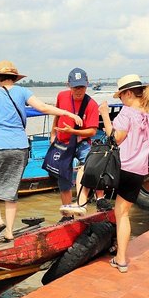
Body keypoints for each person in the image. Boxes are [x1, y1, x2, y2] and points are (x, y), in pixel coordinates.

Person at [0, 60, 82, 242]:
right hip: (19, 147)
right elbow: (44, 108)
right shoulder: (23, 92)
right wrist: (68, 114)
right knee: (11, 190)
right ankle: (10, 232)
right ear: (15, 78)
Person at [66, 74, 149, 273]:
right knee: (123, 214)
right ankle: (121, 259)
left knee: (85, 169)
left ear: (129, 93)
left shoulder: (127, 113)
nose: (121, 99)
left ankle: (81, 204)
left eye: (122, 95)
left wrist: (106, 115)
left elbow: (115, 138)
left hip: (121, 167)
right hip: (139, 170)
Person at [50, 68, 100, 222]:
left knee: (91, 167)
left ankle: (88, 202)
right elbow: (57, 115)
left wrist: (73, 131)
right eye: (75, 87)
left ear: (87, 85)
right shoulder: (62, 96)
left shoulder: (91, 104)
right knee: (63, 179)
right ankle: (67, 215)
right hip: (63, 142)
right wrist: (52, 134)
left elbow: (92, 131)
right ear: (68, 85)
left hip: (81, 142)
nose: (79, 91)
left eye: (82, 87)